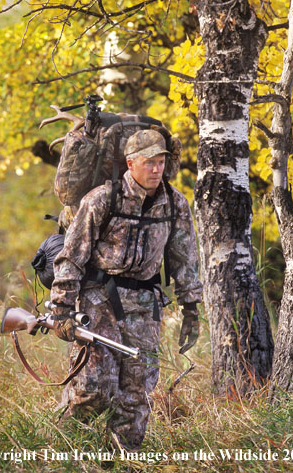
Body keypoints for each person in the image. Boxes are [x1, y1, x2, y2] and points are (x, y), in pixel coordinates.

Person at [50, 129, 202, 450]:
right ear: (130, 164)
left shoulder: (175, 204)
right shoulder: (103, 199)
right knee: (94, 388)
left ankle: (122, 459)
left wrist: (191, 309)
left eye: (161, 162)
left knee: (138, 393)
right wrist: (62, 308)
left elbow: (184, 258)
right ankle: (62, 449)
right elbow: (72, 255)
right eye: (149, 162)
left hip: (146, 306)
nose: (157, 169)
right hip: (99, 299)